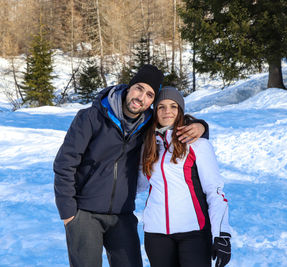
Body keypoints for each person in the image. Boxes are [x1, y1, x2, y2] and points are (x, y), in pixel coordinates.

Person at [53, 65, 209, 267]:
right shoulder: (91, 117)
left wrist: (202, 126)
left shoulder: (148, 124)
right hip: (85, 213)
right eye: (139, 88)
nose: (141, 97)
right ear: (129, 87)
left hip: (123, 215)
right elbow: (65, 163)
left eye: (150, 95)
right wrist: (68, 213)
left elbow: (174, 122)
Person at [138, 86, 232, 267]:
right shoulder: (149, 144)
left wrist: (222, 235)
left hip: (194, 232)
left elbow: (215, 191)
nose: (167, 111)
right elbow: (138, 183)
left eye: (173, 106)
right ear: (155, 111)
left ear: (180, 110)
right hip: (156, 233)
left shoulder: (198, 144)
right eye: (161, 107)